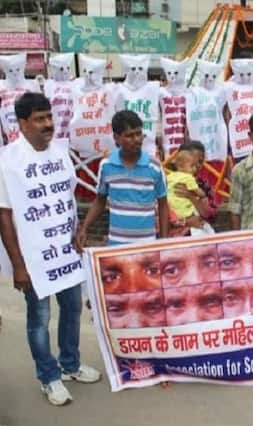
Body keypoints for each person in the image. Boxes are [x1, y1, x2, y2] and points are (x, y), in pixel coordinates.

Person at [0, 93, 101, 407]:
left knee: (72, 309)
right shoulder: (7, 161)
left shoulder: (60, 151)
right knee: (40, 318)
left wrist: (78, 230)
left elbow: (66, 198)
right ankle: (48, 376)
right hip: (34, 259)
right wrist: (18, 266)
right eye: (39, 119)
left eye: (49, 117)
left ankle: (70, 364)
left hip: (66, 253)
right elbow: (4, 216)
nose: (48, 124)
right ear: (22, 123)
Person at [75, 110, 169, 248]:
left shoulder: (154, 166)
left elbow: (163, 204)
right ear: (116, 138)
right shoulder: (106, 166)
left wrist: (165, 242)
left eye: (139, 134)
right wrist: (84, 228)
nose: (136, 139)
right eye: (130, 136)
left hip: (148, 245)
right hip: (116, 246)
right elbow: (100, 201)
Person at [166, 149, 208, 234]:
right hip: (186, 214)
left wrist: (190, 196)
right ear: (181, 166)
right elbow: (199, 193)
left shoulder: (170, 176)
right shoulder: (188, 178)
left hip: (173, 211)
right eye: (192, 166)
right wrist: (203, 195)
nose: (195, 168)